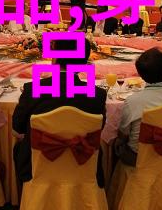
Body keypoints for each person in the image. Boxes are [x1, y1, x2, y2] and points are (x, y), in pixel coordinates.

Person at [12, 38, 107, 187]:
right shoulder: (98, 95)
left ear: (55, 59)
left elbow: (17, 127)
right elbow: (99, 128)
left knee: (19, 146)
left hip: (36, 168)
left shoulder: (33, 89)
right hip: (84, 164)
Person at [115, 48, 162, 166]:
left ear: (141, 75)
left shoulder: (133, 102)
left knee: (116, 145)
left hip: (140, 159)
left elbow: (123, 134)